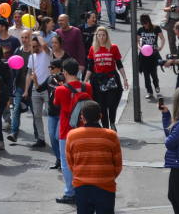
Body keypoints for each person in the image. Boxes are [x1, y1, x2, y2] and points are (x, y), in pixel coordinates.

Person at [66, 100, 123, 214]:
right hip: (106, 186)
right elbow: (118, 165)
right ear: (100, 117)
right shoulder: (111, 136)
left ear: (82, 117)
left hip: (81, 186)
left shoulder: (72, 135)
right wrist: (107, 177)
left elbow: (71, 163)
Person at [54, 58, 93, 205]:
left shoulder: (60, 89)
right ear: (78, 70)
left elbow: (56, 104)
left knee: (67, 163)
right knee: (84, 162)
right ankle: (85, 190)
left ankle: (70, 192)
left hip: (67, 131)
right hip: (84, 129)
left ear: (64, 72)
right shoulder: (87, 86)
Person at [35, 58, 65, 169]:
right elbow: (39, 89)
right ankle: (59, 159)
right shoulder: (50, 79)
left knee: (58, 136)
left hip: (62, 113)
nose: (50, 69)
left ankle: (64, 159)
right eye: (49, 67)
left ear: (60, 69)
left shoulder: (65, 80)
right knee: (52, 137)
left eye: (52, 68)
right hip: (52, 113)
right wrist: (35, 80)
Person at [7, 28, 36, 145]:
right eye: (22, 37)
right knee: (15, 109)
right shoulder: (18, 51)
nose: (24, 40)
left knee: (35, 112)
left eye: (26, 37)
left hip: (33, 87)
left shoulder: (34, 52)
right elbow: (13, 69)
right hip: (19, 85)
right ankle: (14, 133)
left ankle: (38, 135)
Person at [26, 34, 52, 148]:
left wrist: (37, 34)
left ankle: (53, 137)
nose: (32, 48)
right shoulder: (31, 57)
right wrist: (27, 90)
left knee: (49, 113)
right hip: (35, 89)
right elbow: (28, 73)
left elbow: (45, 46)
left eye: (34, 46)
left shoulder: (47, 54)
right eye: (31, 46)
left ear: (40, 46)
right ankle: (41, 138)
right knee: (37, 115)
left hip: (47, 89)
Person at [138, 15, 164, 99]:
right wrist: (140, 48)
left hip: (153, 54)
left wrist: (161, 47)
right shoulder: (140, 30)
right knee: (145, 74)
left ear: (149, 21)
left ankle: (156, 85)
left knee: (153, 72)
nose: (144, 25)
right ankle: (149, 91)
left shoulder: (156, 28)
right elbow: (137, 41)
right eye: (142, 23)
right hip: (144, 54)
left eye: (145, 23)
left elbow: (162, 38)